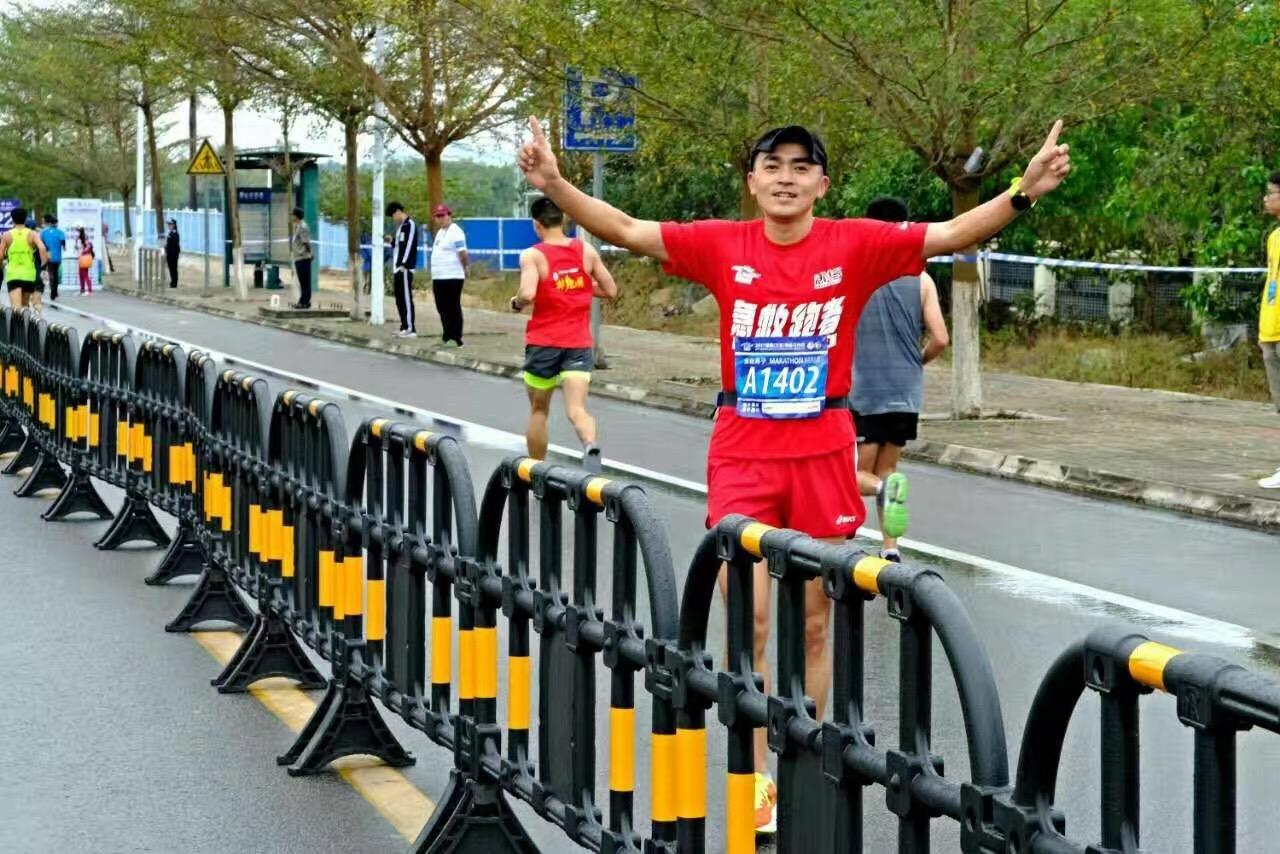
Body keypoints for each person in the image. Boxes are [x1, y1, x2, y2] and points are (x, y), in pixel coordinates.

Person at [519, 116, 1071, 835]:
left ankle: (802, 761)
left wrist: (1023, 192)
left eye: (801, 166)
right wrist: (556, 183)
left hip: (823, 455)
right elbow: (625, 227)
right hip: (743, 456)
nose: (786, 177)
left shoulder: (855, 244)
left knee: (815, 624)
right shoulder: (723, 244)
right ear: (752, 181)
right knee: (748, 623)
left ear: (822, 184)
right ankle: (755, 788)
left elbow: (951, 232)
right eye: (772, 165)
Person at [851, 195, 950, 561]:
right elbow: (940, 339)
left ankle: (867, 505)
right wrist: (915, 363)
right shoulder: (921, 279)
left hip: (865, 389)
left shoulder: (856, 272)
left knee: (854, 476)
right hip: (906, 389)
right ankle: (890, 549)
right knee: (890, 471)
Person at [510, 197, 618, 472]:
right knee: (577, 409)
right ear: (563, 220)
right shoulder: (586, 251)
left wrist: (516, 303)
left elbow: (528, 293)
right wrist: (579, 286)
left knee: (539, 410)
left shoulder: (532, 255)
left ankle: (536, 471)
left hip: (544, 343)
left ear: (536, 224)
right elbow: (610, 290)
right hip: (578, 344)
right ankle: (590, 445)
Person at [430, 204, 468, 347]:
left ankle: (456, 338)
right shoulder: (440, 232)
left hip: (452, 275)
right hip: (439, 276)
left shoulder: (456, 232)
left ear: (449, 216)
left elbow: (462, 252)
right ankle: (446, 335)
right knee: (442, 307)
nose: (440, 219)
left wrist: (466, 266)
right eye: (438, 216)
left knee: (452, 306)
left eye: (443, 216)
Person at [0, 207, 50, 310]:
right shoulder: (32, 234)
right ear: (25, 218)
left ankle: (17, 316)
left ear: (12, 219)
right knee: (25, 305)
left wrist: (1, 265)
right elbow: (42, 248)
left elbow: (0, 255)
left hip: (13, 274)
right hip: (29, 274)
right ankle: (25, 315)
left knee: (16, 307)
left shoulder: (7, 235)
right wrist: (43, 267)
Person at [1260, 171, 1280, 415]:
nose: (1265, 199)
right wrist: (1264, 329)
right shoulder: (1274, 237)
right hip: (1271, 328)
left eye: (1270, 193)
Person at [386, 202, 419, 338]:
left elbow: (410, 246)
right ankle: (404, 326)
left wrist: (404, 265)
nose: (393, 219)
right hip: (397, 268)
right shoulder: (401, 228)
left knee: (406, 298)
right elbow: (400, 246)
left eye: (393, 216)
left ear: (398, 211)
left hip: (404, 268)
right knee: (399, 299)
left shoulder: (410, 225)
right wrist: (392, 241)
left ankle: (411, 329)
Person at [290, 207, 313, 309]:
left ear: (296, 216)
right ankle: (303, 301)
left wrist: (310, 253)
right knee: (302, 281)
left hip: (303, 257)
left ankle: (304, 302)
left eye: (293, 215)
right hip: (298, 257)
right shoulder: (298, 226)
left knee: (305, 281)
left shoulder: (303, 227)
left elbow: (306, 242)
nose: (292, 217)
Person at [39, 214, 65, 303]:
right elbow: (63, 244)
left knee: (51, 273)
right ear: (56, 223)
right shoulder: (60, 232)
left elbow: (41, 243)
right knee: (56, 274)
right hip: (57, 257)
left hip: (48, 255)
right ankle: (55, 291)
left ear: (49, 223)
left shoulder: (44, 232)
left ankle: (52, 291)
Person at [74, 224, 94, 295]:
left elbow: (80, 247)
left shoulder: (80, 238)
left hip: (82, 258)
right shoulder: (85, 237)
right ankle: (82, 290)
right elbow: (89, 246)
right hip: (84, 258)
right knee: (82, 274)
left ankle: (89, 290)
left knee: (84, 275)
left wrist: (81, 251)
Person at [164, 217, 181, 288]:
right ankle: (172, 282)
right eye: (168, 224)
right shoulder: (170, 233)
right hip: (170, 254)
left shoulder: (174, 233)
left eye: (170, 224)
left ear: (174, 225)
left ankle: (174, 283)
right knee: (171, 269)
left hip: (173, 255)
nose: (169, 226)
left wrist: (173, 254)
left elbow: (175, 245)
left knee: (173, 269)